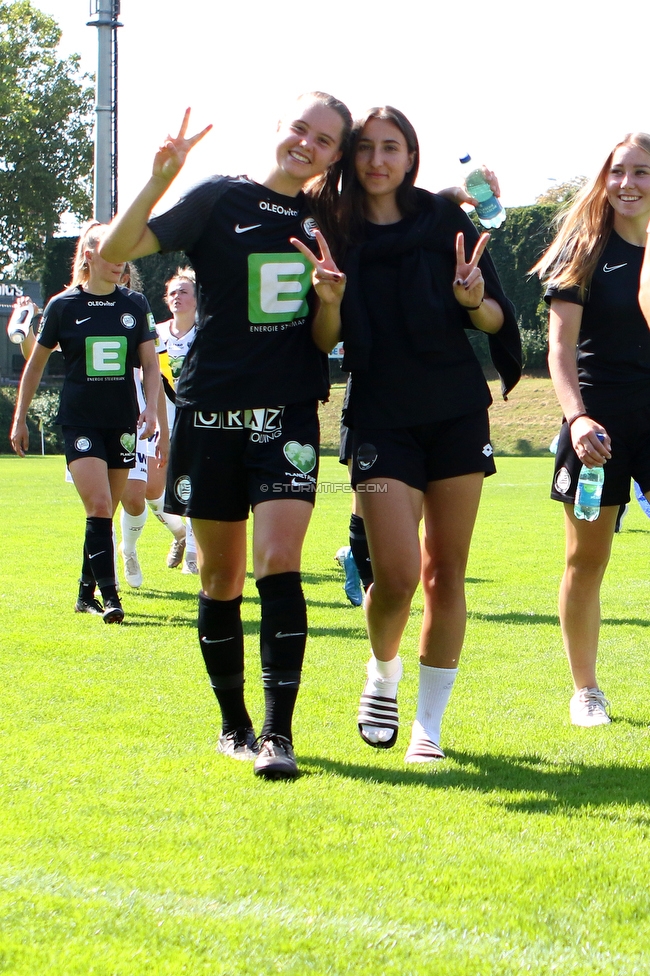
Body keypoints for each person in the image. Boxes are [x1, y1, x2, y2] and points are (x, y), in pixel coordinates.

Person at [99, 94, 351, 778]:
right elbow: (115, 250)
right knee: (220, 574)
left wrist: (330, 303)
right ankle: (233, 724)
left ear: (334, 156)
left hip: (289, 413)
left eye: (325, 140)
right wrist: (160, 175)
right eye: (300, 128)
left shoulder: (329, 220)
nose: (307, 143)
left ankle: (278, 734)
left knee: (278, 561)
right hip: (211, 412)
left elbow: (325, 337)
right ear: (278, 129)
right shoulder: (217, 198)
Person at [316, 106, 520, 762]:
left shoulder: (441, 222)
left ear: (411, 157)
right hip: (379, 412)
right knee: (398, 575)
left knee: (445, 573)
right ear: (350, 158)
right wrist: (328, 301)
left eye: (392, 148)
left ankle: (428, 728)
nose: (378, 160)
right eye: (367, 148)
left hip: (456, 410)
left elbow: (492, 320)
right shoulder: (332, 232)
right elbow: (325, 340)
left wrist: (471, 300)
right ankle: (382, 674)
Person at [533, 132, 650, 726]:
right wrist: (576, 418)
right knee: (587, 561)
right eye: (618, 171)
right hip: (597, 420)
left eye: (642, 173)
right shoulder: (584, 249)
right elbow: (559, 347)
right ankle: (586, 691)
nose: (627, 183)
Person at [10, 221, 161, 623]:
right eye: (111, 253)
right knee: (97, 504)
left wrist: (150, 408)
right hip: (79, 422)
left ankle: (84, 594)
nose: (120, 262)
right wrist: (20, 418)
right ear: (89, 256)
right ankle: (112, 600)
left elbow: (149, 363)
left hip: (122, 421)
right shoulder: (63, 306)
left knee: (103, 513)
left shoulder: (135, 305)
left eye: (124, 254)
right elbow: (36, 365)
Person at [119, 267, 197, 585]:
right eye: (172, 292)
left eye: (184, 291)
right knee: (153, 488)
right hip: (158, 417)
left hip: (196, 417)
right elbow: (146, 369)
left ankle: (192, 553)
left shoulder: (207, 332)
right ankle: (177, 533)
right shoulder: (156, 332)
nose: (177, 297)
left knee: (194, 482)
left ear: (198, 298)